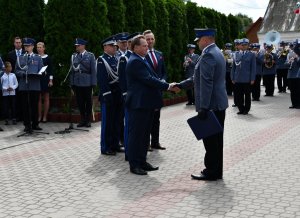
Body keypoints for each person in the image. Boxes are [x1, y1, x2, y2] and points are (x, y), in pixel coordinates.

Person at [176, 28, 228, 180]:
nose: (197, 43)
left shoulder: (208, 55)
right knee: (217, 141)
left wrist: (204, 107)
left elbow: (206, 83)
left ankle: (211, 171)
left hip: (211, 105)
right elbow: (196, 78)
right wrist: (180, 84)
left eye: (198, 40)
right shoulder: (216, 51)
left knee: (211, 141)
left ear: (205, 39)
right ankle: (216, 171)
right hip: (218, 103)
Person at [125, 35, 178, 175]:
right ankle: (134, 164)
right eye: (144, 45)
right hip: (139, 104)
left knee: (144, 134)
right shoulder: (135, 61)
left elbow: (154, 76)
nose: (147, 47)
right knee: (136, 135)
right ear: (135, 47)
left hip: (146, 103)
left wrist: (167, 84)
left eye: (147, 45)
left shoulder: (142, 59)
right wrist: (167, 86)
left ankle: (142, 161)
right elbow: (148, 79)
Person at [97, 36, 123, 155]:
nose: (114, 48)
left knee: (117, 121)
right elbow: (102, 80)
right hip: (108, 95)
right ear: (105, 47)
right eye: (112, 46)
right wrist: (107, 95)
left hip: (118, 94)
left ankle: (115, 144)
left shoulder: (117, 59)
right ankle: (106, 147)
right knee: (107, 123)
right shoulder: (102, 60)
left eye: (115, 46)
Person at [117, 32, 141, 160]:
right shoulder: (124, 58)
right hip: (130, 97)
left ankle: (137, 151)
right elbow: (122, 79)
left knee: (137, 127)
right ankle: (129, 152)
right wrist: (126, 95)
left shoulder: (139, 57)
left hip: (139, 97)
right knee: (130, 125)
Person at [144, 29, 167, 150]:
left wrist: (163, 80)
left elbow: (163, 72)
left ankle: (155, 142)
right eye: (147, 39)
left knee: (156, 119)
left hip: (158, 91)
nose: (150, 41)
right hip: (148, 91)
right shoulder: (142, 55)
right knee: (147, 119)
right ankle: (146, 143)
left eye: (152, 38)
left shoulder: (159, 54)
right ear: (144, 40)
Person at [15, 37, 43, 133]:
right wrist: (23, 74)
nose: (26, 47)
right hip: (24, 85)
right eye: (25, 46)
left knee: (34, 105)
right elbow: (16, 71)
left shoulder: (38, 58)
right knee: (25, 106)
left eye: (28, 46)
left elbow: (41, 70)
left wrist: (40, 73)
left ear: (32, 46)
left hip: (34, 85)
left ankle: (35, 124)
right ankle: (27, 125)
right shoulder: (20, 57)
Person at [69, 38, 97, 128]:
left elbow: (93, 70)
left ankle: (88, 120)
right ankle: (82, 119)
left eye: (78, 45)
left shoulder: (90, 56)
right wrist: (72, 83)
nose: (76, 47)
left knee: (88, 102)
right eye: (76, 46)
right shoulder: (74, 56)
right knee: (80, 102)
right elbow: (72, 71)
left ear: (83, 46)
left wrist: (93, 83)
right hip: (77, 82)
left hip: (87, 82)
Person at [231, 38, 256, 115]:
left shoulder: (251, 55)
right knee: (238, 95)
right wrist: (232, 77)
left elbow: (253, 68)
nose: (244, 46)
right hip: (237, 79)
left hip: (247, 79)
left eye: (245, 45)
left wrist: (252, 79)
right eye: (242, 45)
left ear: (248, 46)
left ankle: (246, 109)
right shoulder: (236, 54)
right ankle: (241, 108)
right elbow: (233, 67)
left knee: (247, 95)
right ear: (240, 45)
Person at [6, 36, 25, 121]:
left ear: (21, 43)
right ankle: (15, 116)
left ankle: (23, 116)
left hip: (23, 78)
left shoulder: (26, 53)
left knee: (23, 98)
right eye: (16, 42)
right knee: (15, 98)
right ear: (14, 43)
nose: (18, 44)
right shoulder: (10, 54)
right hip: (13, 79)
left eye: (19, 42)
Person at [37, 42, 53, 123]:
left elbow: (50, 71)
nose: (39, 49)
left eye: (40, 47)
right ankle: (39, 116)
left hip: (45, 79)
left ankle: (45, 116)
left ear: (44, 48)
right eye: (38, 47)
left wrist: (50, 80)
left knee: (46, 98)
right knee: (38, 98)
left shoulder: (47, 58)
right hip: (37, 79)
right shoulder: (35, 57)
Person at [287, 41, 300, 108]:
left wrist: (297, 58)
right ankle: (294, 104)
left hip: (297, 76)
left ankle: (298, 104)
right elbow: (286, 64)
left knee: (298, 91)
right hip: (291, 75)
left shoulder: (299, 56)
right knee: (292, 91)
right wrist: (289, 62)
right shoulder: (289, 54)